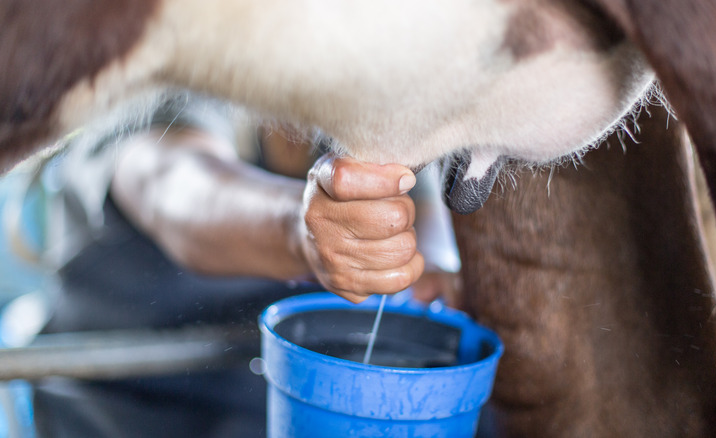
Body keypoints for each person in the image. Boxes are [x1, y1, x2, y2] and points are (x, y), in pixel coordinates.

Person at [28, 93, 459, 437]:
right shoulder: (165, 62)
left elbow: (424, 213)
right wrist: (300, 230)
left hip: (274, 401)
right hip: (124, 399)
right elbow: (172, 186)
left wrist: (431, 265)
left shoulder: (376, 99)